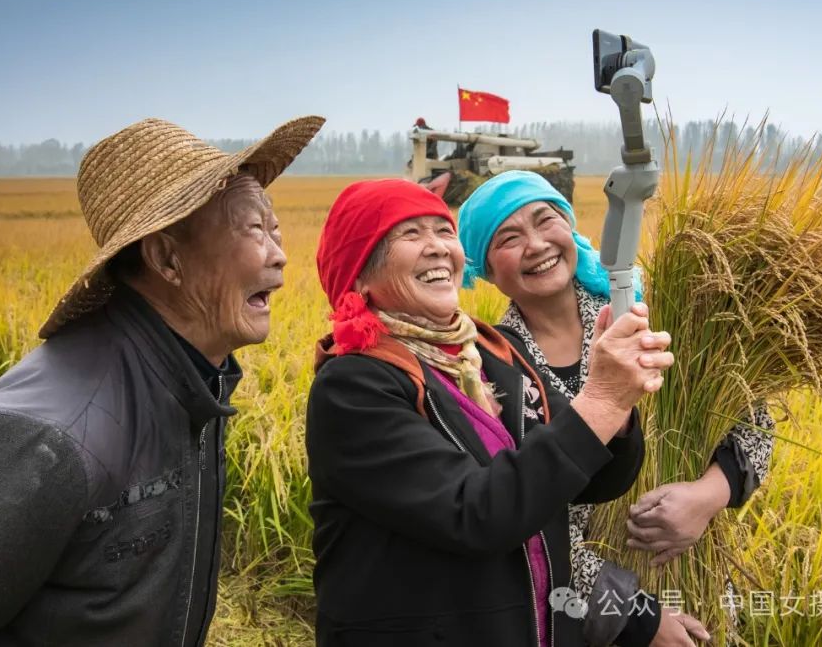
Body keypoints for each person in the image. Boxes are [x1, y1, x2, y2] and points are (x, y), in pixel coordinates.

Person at [0, 115, 324, 646]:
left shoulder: (188, 387)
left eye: (275, 228)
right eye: (253, 230)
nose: (279, 254)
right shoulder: (38, 441)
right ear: (166, 259)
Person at [306, 179, 695, 646]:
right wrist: (602, 400)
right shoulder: (354, 387)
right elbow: (475, 512)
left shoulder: (492, 355)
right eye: (409, 234)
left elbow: (595, 481)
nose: (437, 247)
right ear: (359, 277)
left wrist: (618, 406)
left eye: (443, 231)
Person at [458, 170, 776, 646]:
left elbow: (754, 422)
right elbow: (522, 521)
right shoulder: (490, 368)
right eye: (508, 238)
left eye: (546, 220)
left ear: (570, 225)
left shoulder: (651, 313)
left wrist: (706, 497)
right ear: (485, 268)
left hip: (694, 572)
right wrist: (639, 618)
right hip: (582, 612)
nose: (537, 244)